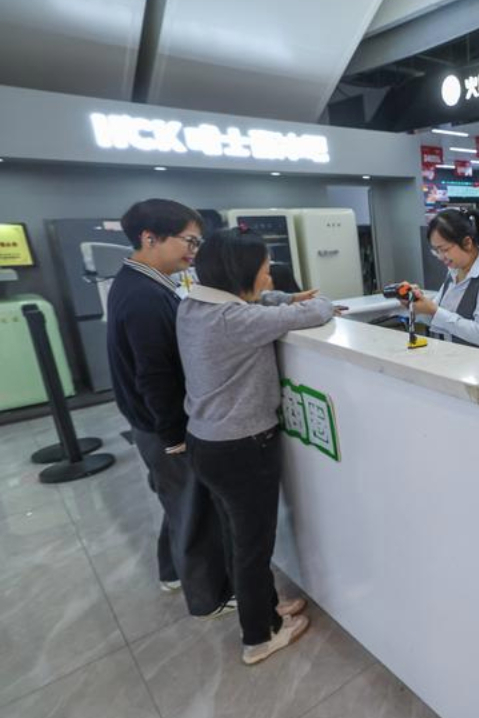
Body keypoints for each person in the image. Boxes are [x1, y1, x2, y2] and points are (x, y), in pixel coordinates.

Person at [177, 227, 335, 665]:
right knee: (253, 546)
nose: (269, 279)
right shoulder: (237, 322)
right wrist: (304, 302)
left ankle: (266, 608)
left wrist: (283, 297)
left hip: (206, 442)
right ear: (241, 273)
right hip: (242, 449)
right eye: (265, 271)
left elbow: (259, 302)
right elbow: (318, 312)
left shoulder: (193, 306)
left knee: (238, 537)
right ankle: (259, 636)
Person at [106, 198, 233, 618]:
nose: (194, 251)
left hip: (152, 424)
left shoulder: (141, 280)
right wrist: (174, 436)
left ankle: (172, 571)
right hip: (163, 426)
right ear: (150, 238)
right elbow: (154, 375)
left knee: (177, 501)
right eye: (189, 241)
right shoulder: (144, 294)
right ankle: (210, 596)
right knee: (193, 511)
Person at [401, 209, 479, 354]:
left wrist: (433, 310)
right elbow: (436, 319)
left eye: (445, 249)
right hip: (458, 361)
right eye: (436, 251)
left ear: (467, 243)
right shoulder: (453, 272)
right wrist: (416, 304)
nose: (441, 257)